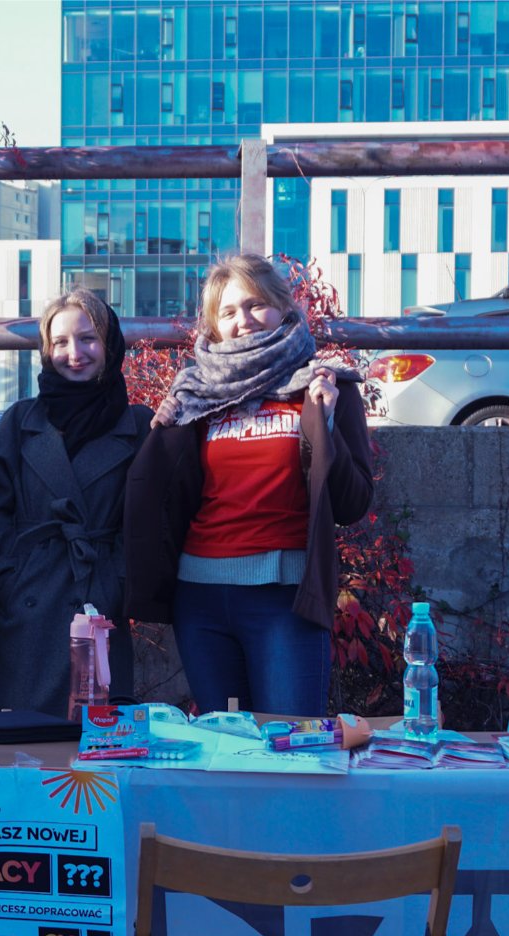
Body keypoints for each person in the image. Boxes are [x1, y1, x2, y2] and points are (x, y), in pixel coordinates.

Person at [123, 254, 373, 718]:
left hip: (286, 599)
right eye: (228, 312)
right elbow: (162, 496)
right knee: (224, 748)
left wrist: (327, 423)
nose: (244, 321)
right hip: (200, 600)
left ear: (283, 307)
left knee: (292, 745)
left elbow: (353, 502)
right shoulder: (194, 395)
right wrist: (164, 434)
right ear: (214, 326)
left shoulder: (322, 385)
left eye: (256, 305)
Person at [0, 289, 152, 717]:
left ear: (109, 344)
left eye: (88, 338)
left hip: (97, 599)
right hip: (26, 604)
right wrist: (8, 575)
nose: (74, 353)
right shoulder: (21, 420)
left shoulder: (137, 425)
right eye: (60, 342)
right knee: (19, 738)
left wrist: (117, 582)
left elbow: (147, 520)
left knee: (95, 739)